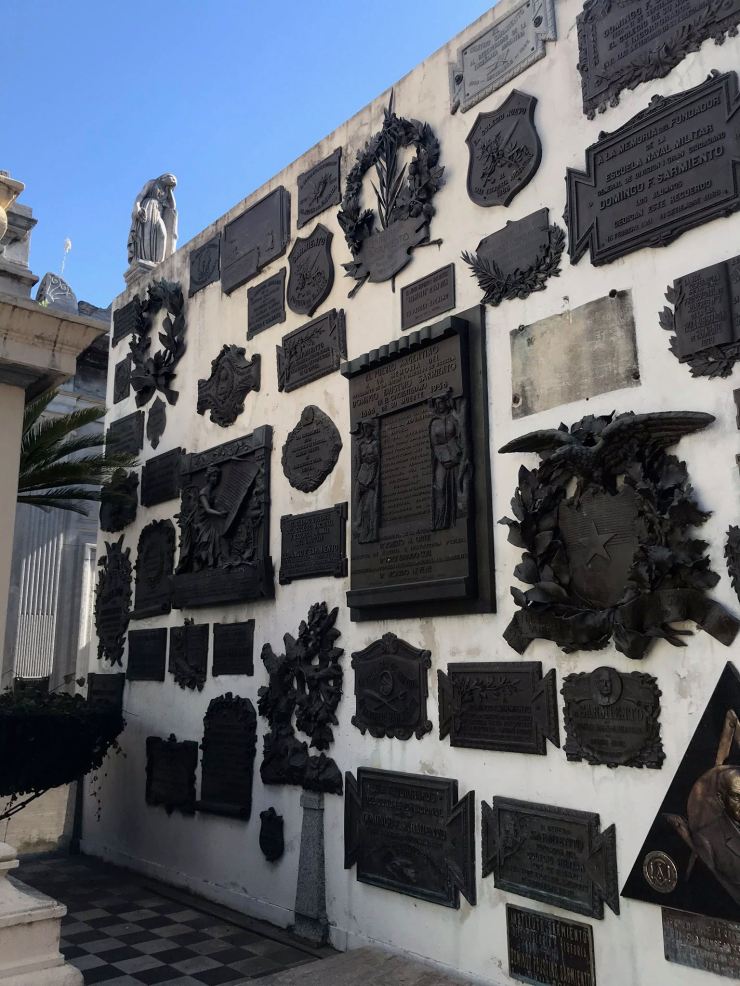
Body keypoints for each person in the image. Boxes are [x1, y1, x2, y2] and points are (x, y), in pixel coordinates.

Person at [127, 174, 178, 265]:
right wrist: (137, 206)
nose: (174, 181)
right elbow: (141, 195)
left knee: (162, 234)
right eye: (173, 178)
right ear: (164, 177)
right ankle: (146, 258)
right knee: (146, 234)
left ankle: (159, 262)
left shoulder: (166, 191)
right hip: (148, 208)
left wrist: (170, 191)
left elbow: (172, 206)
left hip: (158, 212)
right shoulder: (152, 183)